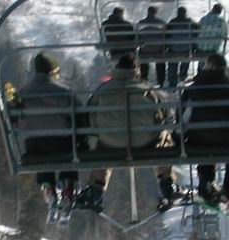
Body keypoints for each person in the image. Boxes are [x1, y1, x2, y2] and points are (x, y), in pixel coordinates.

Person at [74, 53, 179, 212]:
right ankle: (167, 183)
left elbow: (89, 116)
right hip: (144, 141)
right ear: (137, 70)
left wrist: (99, 133)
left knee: (102, 151)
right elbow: (162, 116)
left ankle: (96, 190)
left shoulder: (103, 90)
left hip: (111, 141)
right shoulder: (148, 90)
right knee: (164, 140)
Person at [14, 53, 86, 219]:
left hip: (34, 145)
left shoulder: (23, 93)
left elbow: (14, 117)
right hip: (62, 144)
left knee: (42, 151)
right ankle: (67, 186)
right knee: (71, 148)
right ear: (53, 71)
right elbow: (80, 116)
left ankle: (48, 186)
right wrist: (82, 139)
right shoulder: (64, 92)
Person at [180, 53, 229, 203]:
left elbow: (183, 116)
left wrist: (181, 135)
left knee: (204, 138)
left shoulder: (193, 88)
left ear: (207, 66)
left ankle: (207, 184)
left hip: (197, 139)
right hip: (225, 138)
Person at [165, 6, 199, 87]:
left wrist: (167, 46)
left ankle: (172, 80)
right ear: (185, 13)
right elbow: (197, 32)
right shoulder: (190, 22)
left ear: (177, 13)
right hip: (187, 48)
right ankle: (183, 75)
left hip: (174, 48)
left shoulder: (172, 22)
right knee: (186, 59)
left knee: (173, 63)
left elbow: (166, 35)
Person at [136, 6, 167, 85]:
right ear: (156, 13)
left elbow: (137, 37)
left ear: (148, 12)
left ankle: (144, 80)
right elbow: (166, 36)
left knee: (143, 63)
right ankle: (161, 82)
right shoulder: (161, 23)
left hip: (145, 49)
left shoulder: (140, 23)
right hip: (158, 49)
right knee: (161, 63)